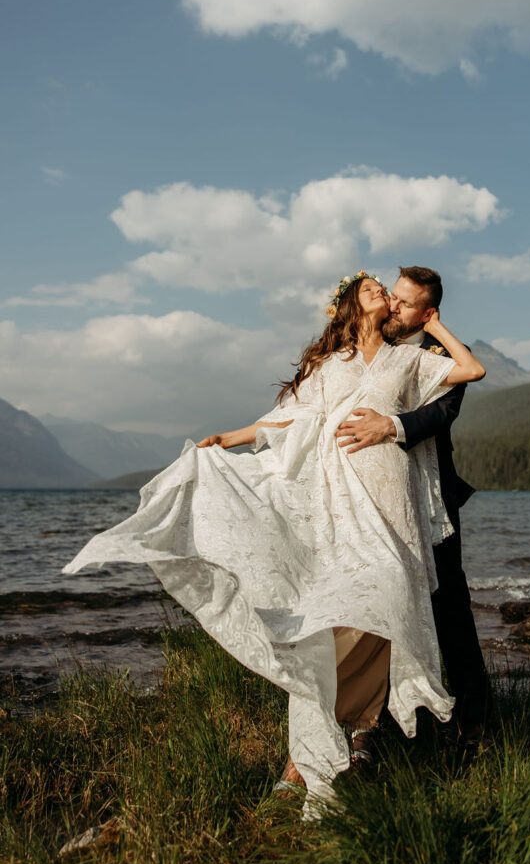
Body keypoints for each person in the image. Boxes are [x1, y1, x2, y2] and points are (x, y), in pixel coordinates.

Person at [62, 272, 485, 813]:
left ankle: (367, 733)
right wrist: (232, 438)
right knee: (339, 618)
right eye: (377, 289)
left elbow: (470, 369)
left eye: (396, 294)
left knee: (389, 610)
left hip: (397, 506)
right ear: (353, 308)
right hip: (343, 503)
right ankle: (312, 750)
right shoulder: (332, 366)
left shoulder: (409, 360)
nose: (386, 293)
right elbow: (292, 419)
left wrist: (435, 326)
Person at [335, 266, 491, 736]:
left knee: (448, 607)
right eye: (394, 297)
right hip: (374, 497)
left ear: (426, 311)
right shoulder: (367, 345)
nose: (395, 306)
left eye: (406, 303)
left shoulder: (440, 353)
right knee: (375, 601)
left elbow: (441, 413)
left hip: (429, 499)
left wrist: (391, 425)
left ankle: (473, 723)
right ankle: (375, 719)